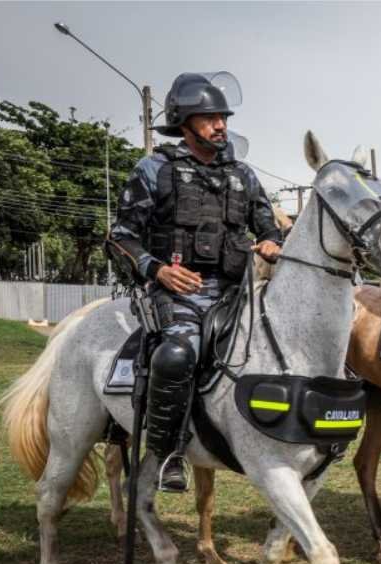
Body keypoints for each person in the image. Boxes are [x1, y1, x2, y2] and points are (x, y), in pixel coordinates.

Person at [106, 72, 282, 492]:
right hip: (180, 293)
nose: (221, 124)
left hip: (238, 293)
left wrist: (273, 242)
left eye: (223, 116)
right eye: (209, 117)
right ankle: (168, 452)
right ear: (184, 122)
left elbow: (267, 225)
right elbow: (121, 236)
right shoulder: (154, 169)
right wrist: (157, 269)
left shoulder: (242, 174)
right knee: (179, 355)